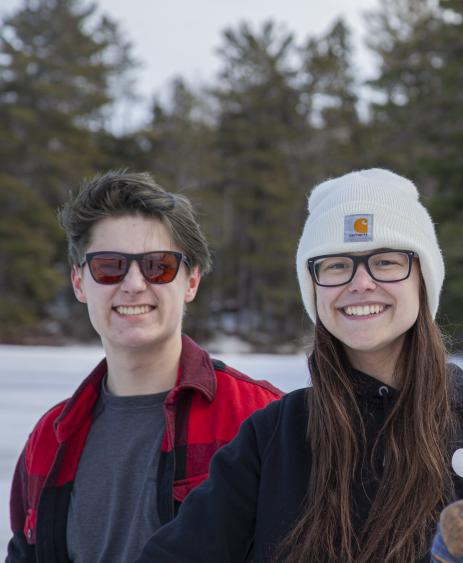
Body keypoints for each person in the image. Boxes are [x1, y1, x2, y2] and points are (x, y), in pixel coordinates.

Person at [137, 168, 463, 562]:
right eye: (337, 264)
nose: (361, 283)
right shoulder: (274, 436)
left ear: (423, 279)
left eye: (386, 261)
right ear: (315, 289)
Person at [6, 171, 283, 563]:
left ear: (191, 281)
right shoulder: (49, 440)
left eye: (158, 266)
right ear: (79, 283)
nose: (134, 284)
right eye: (109, 266)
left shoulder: (261, 419)